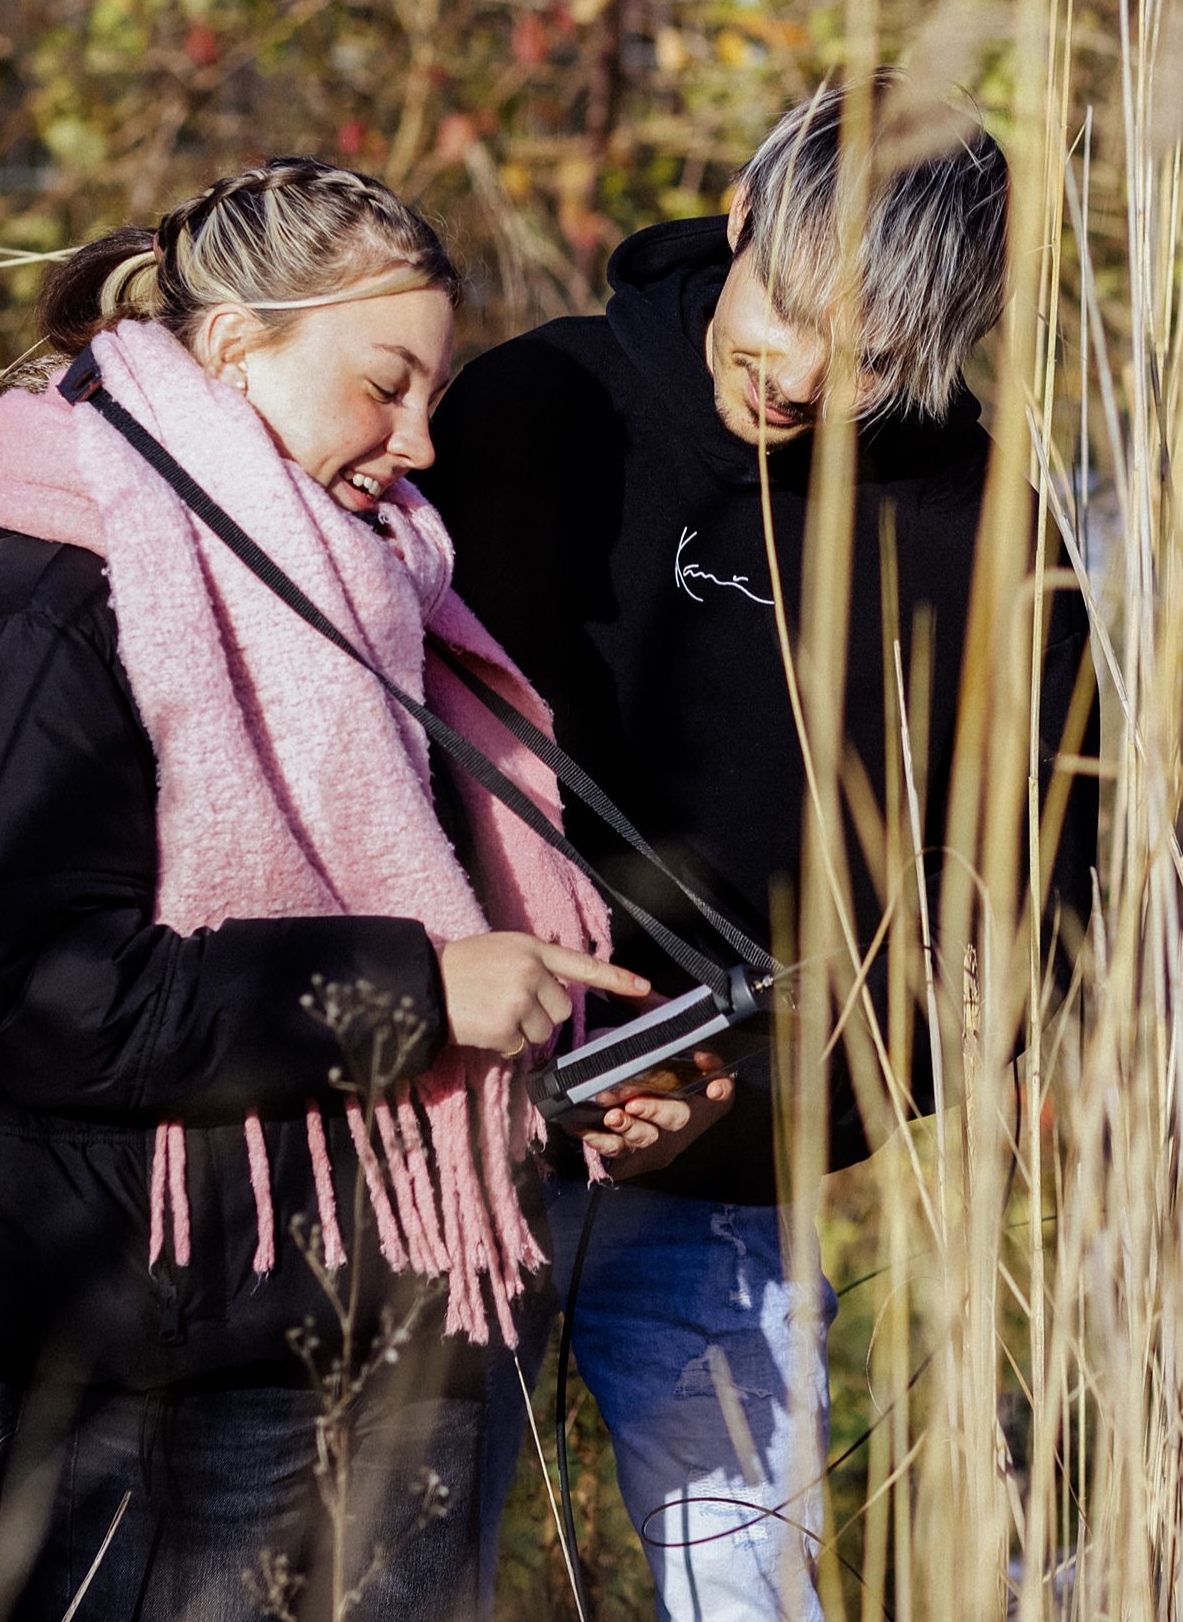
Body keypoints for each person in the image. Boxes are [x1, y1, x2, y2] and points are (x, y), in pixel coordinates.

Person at [0, 158, 710, 1622]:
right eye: (385, 384)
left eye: (436, 397)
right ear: (231, 348)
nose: (422, 443)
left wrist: (568, 1086)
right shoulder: (41, 603)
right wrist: (420, 992)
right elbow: (46, 997)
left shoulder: (371, 599)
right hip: (166, 1358)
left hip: (394, 1309)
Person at [419, 79, 1097, 1620]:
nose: (800, 374)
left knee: (757, 1594)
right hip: (444, 1141)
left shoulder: (979, 528)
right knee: (394, 1578)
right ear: (736, 215)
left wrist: (785, 1090)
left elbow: (1042, 891)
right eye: (786, 306)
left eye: (873, 356)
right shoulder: (534, 415)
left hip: (734, 1183)